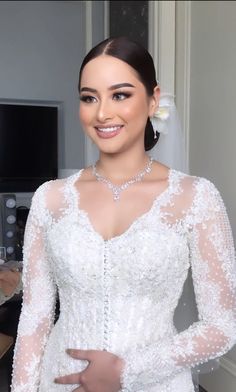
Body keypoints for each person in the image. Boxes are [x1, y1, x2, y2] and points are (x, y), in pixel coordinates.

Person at [10, 36, 236, 392]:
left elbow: (222, 326)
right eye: (89, 97)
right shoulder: (49, 199)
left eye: (120, 94)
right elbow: (35, 319)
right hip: (59, 381)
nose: (102, 113)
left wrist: (126, 371)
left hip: (157, 384)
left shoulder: (197, 198)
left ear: (153, 99)